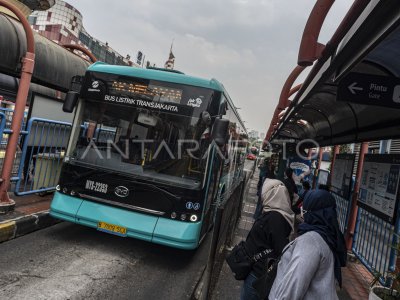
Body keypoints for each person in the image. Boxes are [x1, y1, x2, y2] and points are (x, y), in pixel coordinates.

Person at [268, 189, 347, 300]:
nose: (302, 214)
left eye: (304, 210)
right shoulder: (329, 236)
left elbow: (293, 288)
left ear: (314, 212)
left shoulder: (310, 242)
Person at [241, 179, 294, 300]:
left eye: (265, 192)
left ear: (273, 194)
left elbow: (281, 249)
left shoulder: (275, 218)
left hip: (258, 276)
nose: (262, 195)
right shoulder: (272, 213)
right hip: (257, 272)